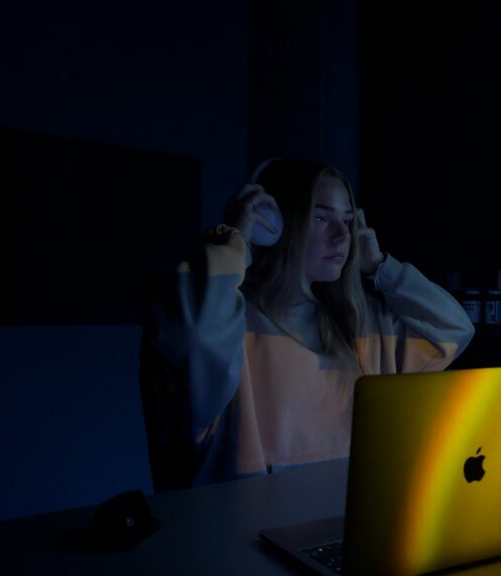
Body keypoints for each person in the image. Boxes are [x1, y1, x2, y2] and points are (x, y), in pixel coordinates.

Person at [140, 158, 474, 490]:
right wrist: (235, 238)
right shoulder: (231, 326)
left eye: (347, 221)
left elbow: (454, 328)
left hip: (340, 535)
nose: (343, 236)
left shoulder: (362, 328)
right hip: (242, 536)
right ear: (273, 224)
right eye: (321, 217)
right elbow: (196, 335)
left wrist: (379, 266)